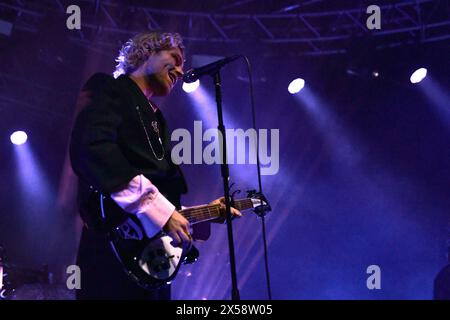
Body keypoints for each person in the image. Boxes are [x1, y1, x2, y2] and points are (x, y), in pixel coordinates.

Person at [69, 31, 240, 300]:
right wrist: (159, 209)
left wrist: (205, 213)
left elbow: (158, 201)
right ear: (148, 53)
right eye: (175, 58)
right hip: (113, 258)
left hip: (152, 264)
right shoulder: (108, 88)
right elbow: (94, 151)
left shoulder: (157, 119)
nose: (182, 71)